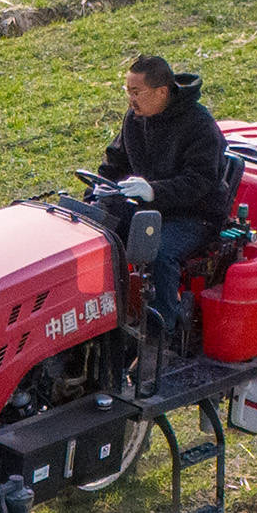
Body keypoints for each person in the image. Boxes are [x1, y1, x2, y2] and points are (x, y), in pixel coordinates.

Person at [99, 53, 231, 349]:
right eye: (127, 91)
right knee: (102, 230)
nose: (130, 100)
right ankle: (110, 317)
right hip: (150, 207)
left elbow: (200, 181)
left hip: (195, 214)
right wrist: (99, 191)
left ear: (161, 92)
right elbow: (115, 163)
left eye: (136, 92)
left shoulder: (199, 125)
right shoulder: (135, 119)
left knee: (158, 251)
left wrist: (154, 191)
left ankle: (160, 340)